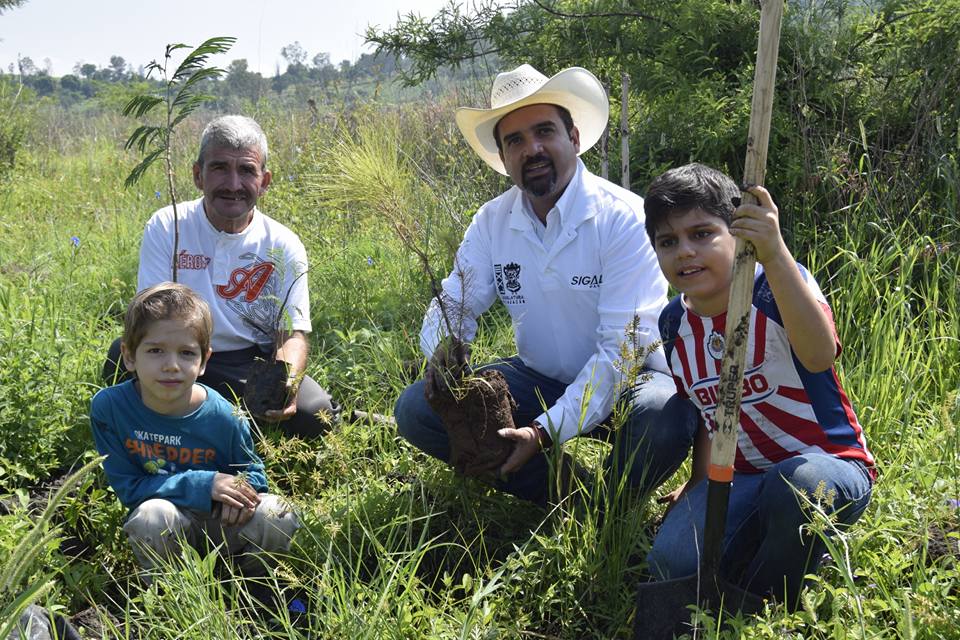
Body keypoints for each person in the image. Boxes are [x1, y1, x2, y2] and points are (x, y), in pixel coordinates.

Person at [393, 64, 698, 506]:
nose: (531, 149)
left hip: (631, 380)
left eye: (543, 131)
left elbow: (620, 352)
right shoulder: (492, 221)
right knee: (417, 410)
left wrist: (543, 431)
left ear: (573, 139)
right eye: (514, 140)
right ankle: (574, 498)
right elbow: (456, 299)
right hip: (537, 378)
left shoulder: (623, 218)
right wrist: (445, 345)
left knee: (662, 417)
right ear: (502, 157)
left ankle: (614, 508)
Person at [642, 163, 875, 607]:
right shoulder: (674, 323)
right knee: (669, 564)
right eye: (668, 242)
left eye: (702, 233)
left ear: (738, 232)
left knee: (798, 488)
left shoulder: (775, 287)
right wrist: (697, 486)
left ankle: (764, 599)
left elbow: (820, 355)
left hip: (827, 464)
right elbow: (710, 419)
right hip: (741, 474)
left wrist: (774, 252)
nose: (685, 252)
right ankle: (765, 541)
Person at [103, 114, 337, 438]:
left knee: (315, 414)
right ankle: (179, 425)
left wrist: (288, 381)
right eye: (219, 168)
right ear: (198, 175)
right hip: (181, 351)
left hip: (249, 363)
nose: (233, 184)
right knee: (120, 358)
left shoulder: (283, 244)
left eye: (246, 171)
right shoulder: (167, 225)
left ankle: (214, 419)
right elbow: (149, 318)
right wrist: (183, 363)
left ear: (265, 181)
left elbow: (293, 335)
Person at [91, 283, 299, 577]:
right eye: (155, 350)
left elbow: (253, 473)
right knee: (150, 517)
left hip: (225, 526)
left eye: (187, 353)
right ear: (129, 356)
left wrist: (241, 494)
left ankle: (254, 587)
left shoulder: (224, 414)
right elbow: (130, 488)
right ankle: (171, 591)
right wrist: (205, 484)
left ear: (204, 361)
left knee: (279, 512)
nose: (172, 365)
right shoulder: (111, 409)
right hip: (169, 522)